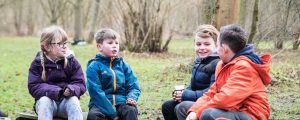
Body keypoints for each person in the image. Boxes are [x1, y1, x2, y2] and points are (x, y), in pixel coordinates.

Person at [186, 24, 272, 120]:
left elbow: (225, 99)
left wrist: (198, 112)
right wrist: (195, 110)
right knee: (184, 108)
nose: (216, 50)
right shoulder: (222, 64)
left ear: (224, 48)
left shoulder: (244, 67)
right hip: (233, 108)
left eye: (217, 46)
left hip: (251, 114)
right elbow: (212, 92)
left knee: (208, 114)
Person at [162, 25, 220, 120]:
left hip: (209, 102)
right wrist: (180, 94)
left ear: (216, 45)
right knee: (167, 106)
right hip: (196, 98)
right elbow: (193, 86)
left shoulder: (217, 63)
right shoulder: (198, 61)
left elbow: (212, 91)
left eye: (207, 44)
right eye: (198, 44)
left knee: (181, 107)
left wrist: (185, 95)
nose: (202, 47)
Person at [28, 26, 86, 120]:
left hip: (66, 104)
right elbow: (34, 86)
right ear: (47, 46)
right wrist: (55, 91)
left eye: (65, 43)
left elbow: (80, 83)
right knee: (44, 102)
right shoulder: (37, 63)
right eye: (60, 43)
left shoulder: (72, 62)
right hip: (47, 103)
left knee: (74, 101)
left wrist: (71, 89)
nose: (64, 46)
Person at [86, 28, 141, 120]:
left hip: (122, 101)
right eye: (110, 43)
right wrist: (113, 114)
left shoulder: (124, 65)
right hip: (101, 104)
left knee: (130, 110)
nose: (114, 46)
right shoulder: (93, 66)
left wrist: (132, 97)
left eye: (116, 43)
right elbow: (96, 92)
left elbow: (134, 86)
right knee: (93, 116)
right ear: (99, 47)